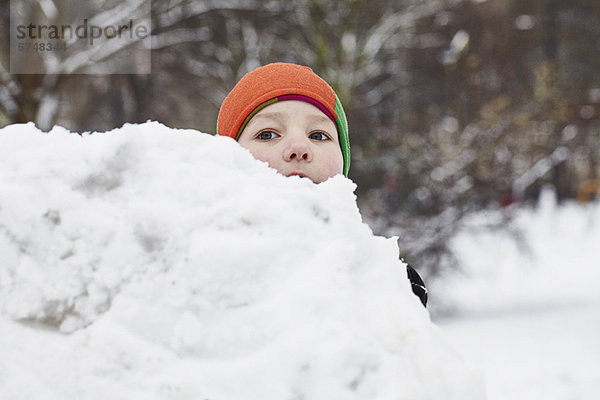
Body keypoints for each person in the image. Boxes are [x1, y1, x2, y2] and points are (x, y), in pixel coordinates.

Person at [217, 62, 427, 307]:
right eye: (267, 134)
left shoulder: (390, 285)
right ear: (226, 156)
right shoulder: (197, 270)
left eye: (318, 135)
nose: (298, 149)